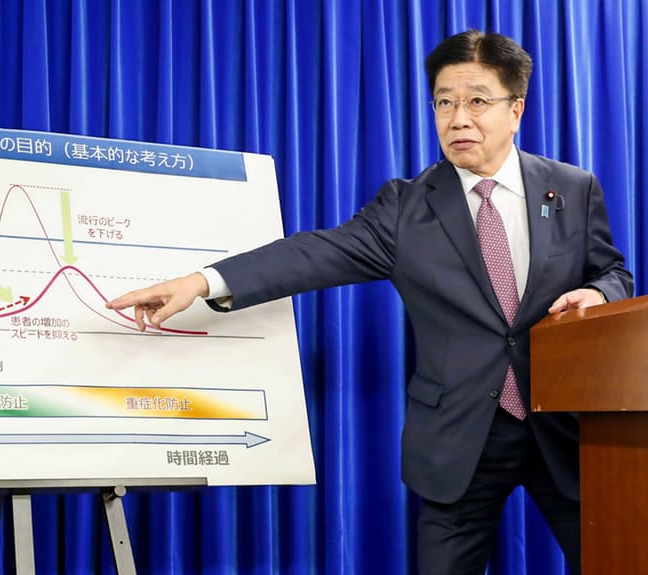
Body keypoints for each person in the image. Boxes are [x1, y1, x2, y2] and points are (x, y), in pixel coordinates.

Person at [107, 29, 633, 574]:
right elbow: (312, 254)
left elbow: (613, 271)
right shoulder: (405, 208)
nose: (458, 119)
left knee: (615, 559)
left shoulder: (571, 188)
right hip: (459, 439)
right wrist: (202, 281)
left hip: (562, 426)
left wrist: (598, 292)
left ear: (515, 109)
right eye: (444, 102)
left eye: (477, 101)